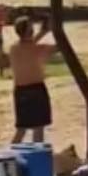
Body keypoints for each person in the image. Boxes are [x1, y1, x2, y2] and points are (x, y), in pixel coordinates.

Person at [10, 14, 55, 145]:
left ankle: (8, 157)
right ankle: (37, 156)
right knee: (38, 128)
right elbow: (59, 46)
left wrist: (43, 32)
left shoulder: (14, 48)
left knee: (21, 130)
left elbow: (27, 43)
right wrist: (53, 30)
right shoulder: (38, 49)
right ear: (29, 31)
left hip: (20, 91)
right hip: (36, 90)